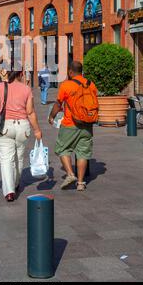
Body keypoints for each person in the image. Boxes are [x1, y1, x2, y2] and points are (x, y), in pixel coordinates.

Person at [0, 70, 42, 202]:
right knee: (19, 158)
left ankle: (9, 191)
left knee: (6, 160)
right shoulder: (27, 89)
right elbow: (30, 111)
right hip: (23, 127)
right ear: (20, 74)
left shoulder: (0, 87)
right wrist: (37, 130)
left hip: (6, 127)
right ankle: (16, 183)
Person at [49, 61, 98, 192]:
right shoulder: (90, 84)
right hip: (87, 124)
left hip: (70, 124)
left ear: (70, 72)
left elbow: (58, 104)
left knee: (62, 149)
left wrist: (51, 116)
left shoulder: (66, 85)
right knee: (83, 153)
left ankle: (70, 174)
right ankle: (81, 183)